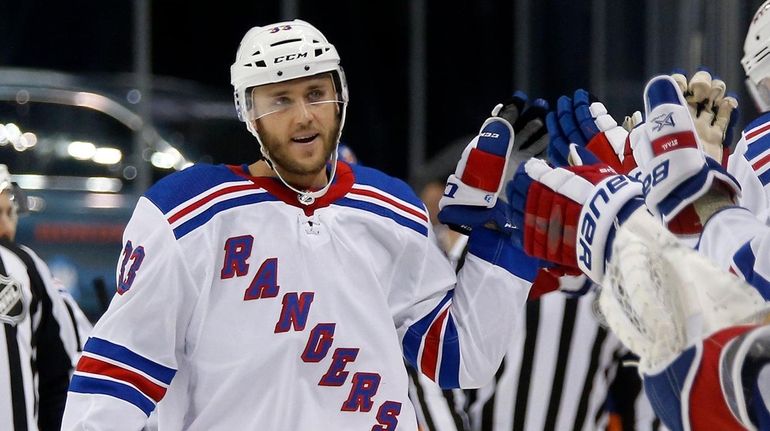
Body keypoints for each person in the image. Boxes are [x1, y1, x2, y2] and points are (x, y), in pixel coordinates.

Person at [61, 19, 535, 430]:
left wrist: (500, 252)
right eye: (280, 99)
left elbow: (458, 358)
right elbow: (117, 373)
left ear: (339, 97)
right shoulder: (187, 215)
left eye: (315, 93)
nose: (303, 115)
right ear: (249, 111)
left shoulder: (391, 207)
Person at [0, 164, 81, 430]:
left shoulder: (24, 267)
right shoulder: (23, 265)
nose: (5, 226)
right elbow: (63, 375)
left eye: (8, 213)